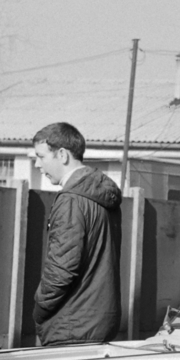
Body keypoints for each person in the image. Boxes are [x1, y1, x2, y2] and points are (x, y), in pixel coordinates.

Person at [31, 122, 122, 346]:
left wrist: (39, 310)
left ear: (62, 155)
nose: (37, 164)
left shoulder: (71, 200)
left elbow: (62, 269)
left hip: (71, 327)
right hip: (98, 322)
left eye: (41, 157)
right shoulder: (101, 197)